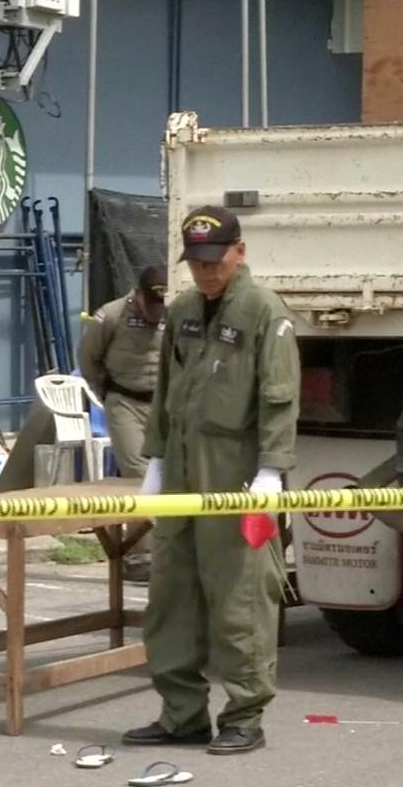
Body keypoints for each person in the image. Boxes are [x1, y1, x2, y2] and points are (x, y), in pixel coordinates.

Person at [121, 205, 299, 756]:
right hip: (180, 470)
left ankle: (245, 714)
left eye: (214, 261)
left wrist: (272, 470)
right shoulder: (183, 310)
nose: (205, 272)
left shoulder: (265, 311)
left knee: (241, 597)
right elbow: (166, 390)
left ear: (239, 252)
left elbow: (279, 395)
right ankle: (183, 714)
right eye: (196, 263)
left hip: (238, 474)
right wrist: (154, 462)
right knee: (171, 595)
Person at [78, 263, 167, 582]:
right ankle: (140, 553)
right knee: (140, 477)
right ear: (138, 295)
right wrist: (106, 394)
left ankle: (167, 551)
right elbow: (88, 359)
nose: (156, 312)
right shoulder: (111, 315)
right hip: (124, 402)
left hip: (162, 404)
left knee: (171, 475)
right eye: (151, 304)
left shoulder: (176, 313)